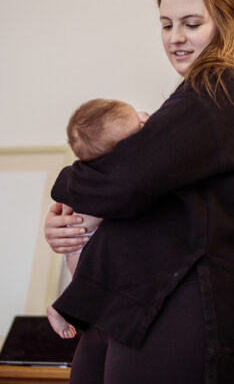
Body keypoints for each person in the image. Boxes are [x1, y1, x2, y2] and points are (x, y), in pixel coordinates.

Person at [43, 0, 234, 384]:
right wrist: (76, 214)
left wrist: (70, 194)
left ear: (227, 24)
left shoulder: (220, 88)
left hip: (187, 306)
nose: (175, 38)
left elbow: (126, 179)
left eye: (192, 23)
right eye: (166, 24)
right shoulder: (196, 96)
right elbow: (133, 183)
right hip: (142, 301)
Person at [46, 98, 146, 339]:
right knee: (89, 283)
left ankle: (66, 306)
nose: (143, 120)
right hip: (83, 242)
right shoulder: (109, 182)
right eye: (138, 126)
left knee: (91, 285)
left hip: (82, 239)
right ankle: (61, 308)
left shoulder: (82, 172)